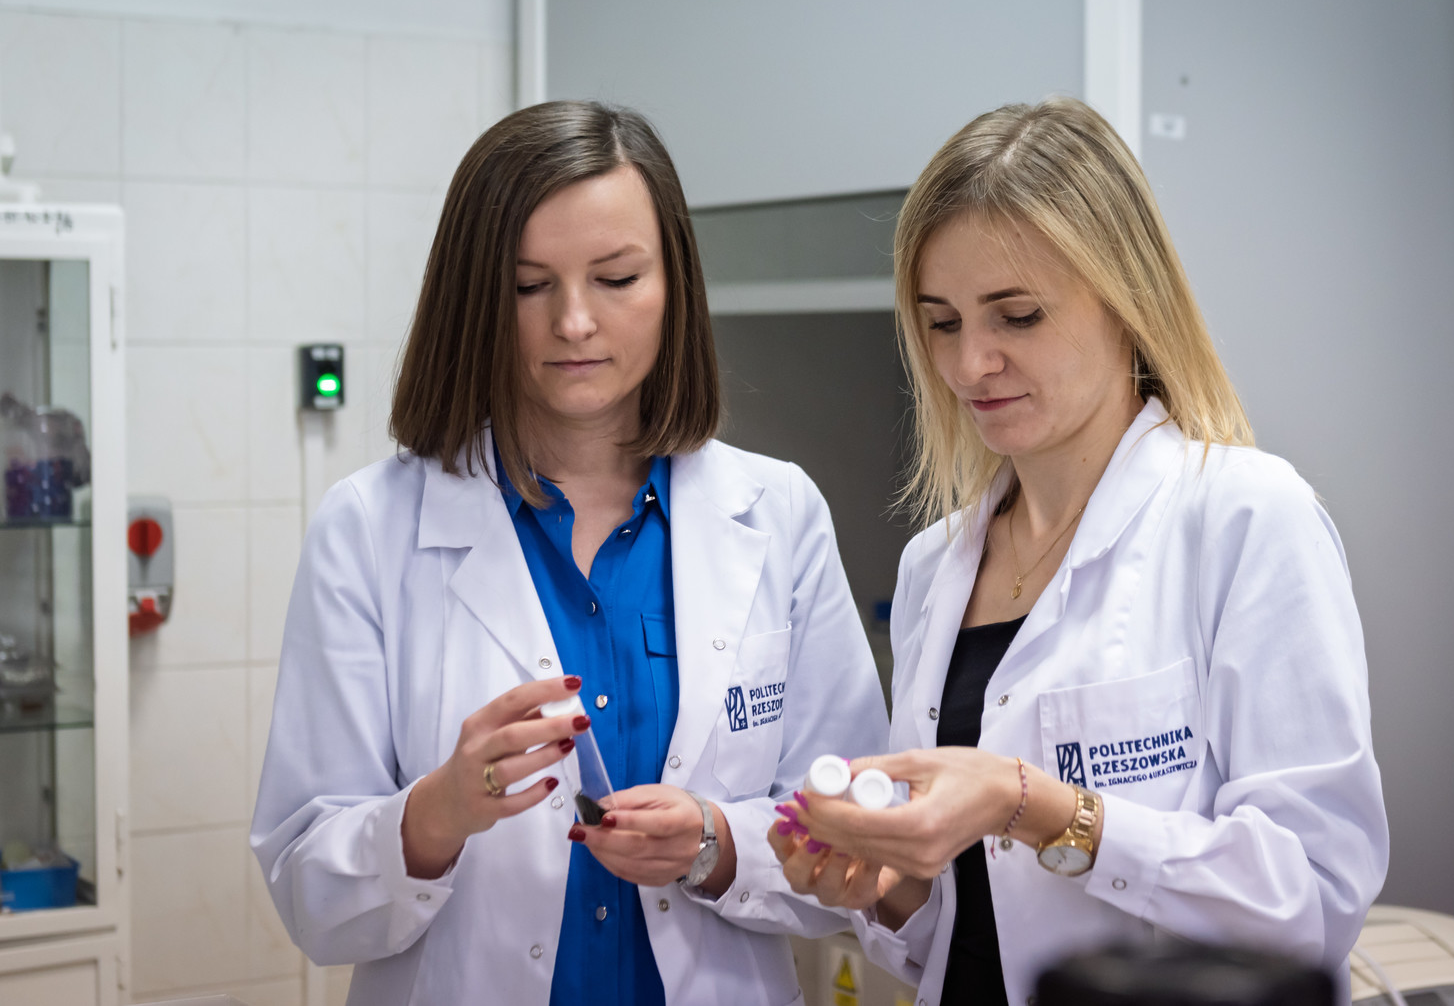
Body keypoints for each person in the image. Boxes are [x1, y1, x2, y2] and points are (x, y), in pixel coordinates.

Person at [251, 100, 889, 1006]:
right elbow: (310, 893)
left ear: (673, 284)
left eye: (617, 277)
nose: (575, 322)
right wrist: (436, 814)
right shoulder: (367, 529)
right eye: (528, 286)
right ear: (473, 300)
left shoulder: (777, 514)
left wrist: (717, 845)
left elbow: (856, 839)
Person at [768, 97, 1388, 1004]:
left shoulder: (1247, 518)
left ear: (1128, 300)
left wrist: (1035, 805)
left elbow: (1314, 901)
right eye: (943, 322)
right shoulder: (934, 568)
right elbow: (955, 933)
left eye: (1017, 316)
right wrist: (880, 887)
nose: (970, 365)